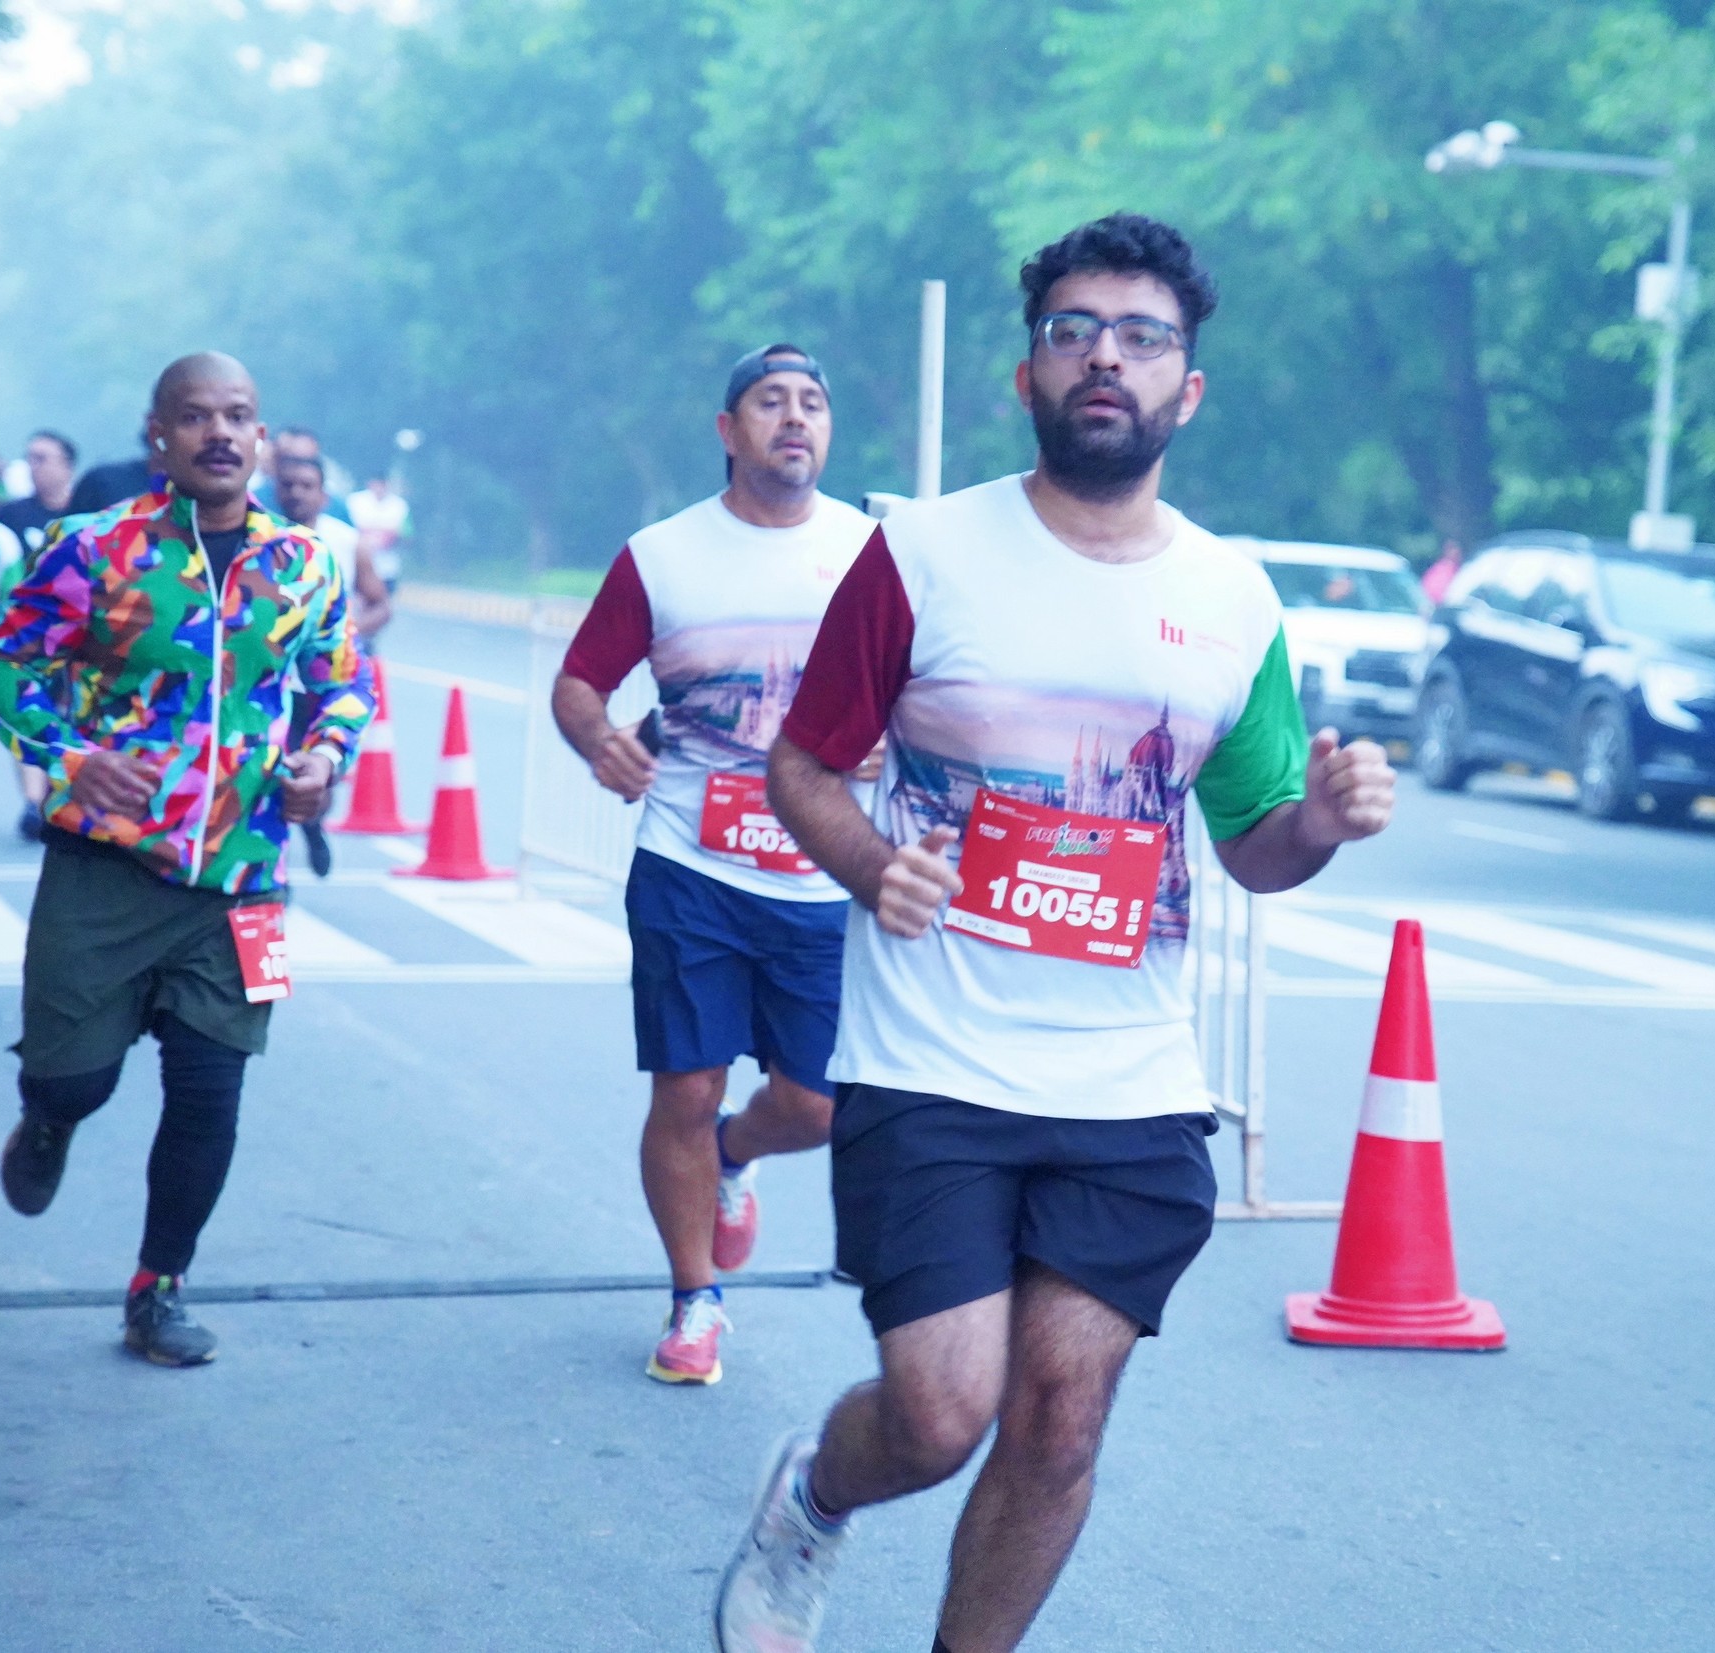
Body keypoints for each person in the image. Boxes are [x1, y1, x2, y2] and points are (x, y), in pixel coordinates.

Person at [717, 215, 1397, 1652]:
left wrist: (1324, 824)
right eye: (1073, 331)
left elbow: (1256, 844)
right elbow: (802, 764)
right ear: (1027, 372)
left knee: (1062, 1419)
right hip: (932, 1062)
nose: (1105, 358)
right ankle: (816, 1494)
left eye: (1142, 339)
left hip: (1128, 1080)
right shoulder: (921, 553)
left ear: (1185, 391)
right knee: (937, 1413)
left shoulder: (1230, 599)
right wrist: (873, 868)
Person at [0, 351, 373, 1367]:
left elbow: (344, 682)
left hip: (244, 875)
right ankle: (47, 1120)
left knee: (211, 1091)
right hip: (103, 867)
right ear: (159, 434)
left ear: (262, 435)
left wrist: (324, 758)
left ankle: (159, 1288)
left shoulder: (305, 561)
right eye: (195, 416)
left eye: (238, 415)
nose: (219, 433)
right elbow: (3, 666)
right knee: (76, 1081)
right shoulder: (89, 547)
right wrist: (71, 757)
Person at [553, 343, 878, 1386]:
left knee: (817, 1105)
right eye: (771, 401)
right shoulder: (663, 556)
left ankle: (735, 1154)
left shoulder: (872, 553)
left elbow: (929, 686)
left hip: (821, 872)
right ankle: (694, 1300)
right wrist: (600, 740)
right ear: (728, 430)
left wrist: (895, 741)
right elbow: (579, 683)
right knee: (684, 1090)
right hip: (690, 865)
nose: (795, 417)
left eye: (812, 402)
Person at [0, 431, 82, 840]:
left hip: (81, 630)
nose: (33, 466)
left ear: (67, 465)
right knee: (28, 705)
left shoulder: (88, 515)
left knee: (72, 712)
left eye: (43, 458)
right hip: (29, 632)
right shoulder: (12, 514)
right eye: (29, 458)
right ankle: (33, 802)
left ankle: (62, 795)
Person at [274, 455, 390, 645]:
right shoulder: (260, 538)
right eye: (288, 485)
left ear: (324, 497)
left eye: (307, 486)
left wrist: (344, 634)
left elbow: (380, 606)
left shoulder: (350, 542)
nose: (296, 493)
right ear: (277, 492)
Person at [346, 472, 410, 589]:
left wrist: (390, 538)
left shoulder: (400, 506)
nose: (379, 488)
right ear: (370, 484)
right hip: (358, 566)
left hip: (387, 566)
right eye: (376, 484)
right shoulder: (355, 502)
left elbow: (406, 534)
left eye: (382, 485)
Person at [1421, 536, 1463, 605]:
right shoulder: (1439, 571)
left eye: (1457, 548)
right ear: (1445, 550)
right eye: (1452, 548)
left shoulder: (1460, 569)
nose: (1456, 551)